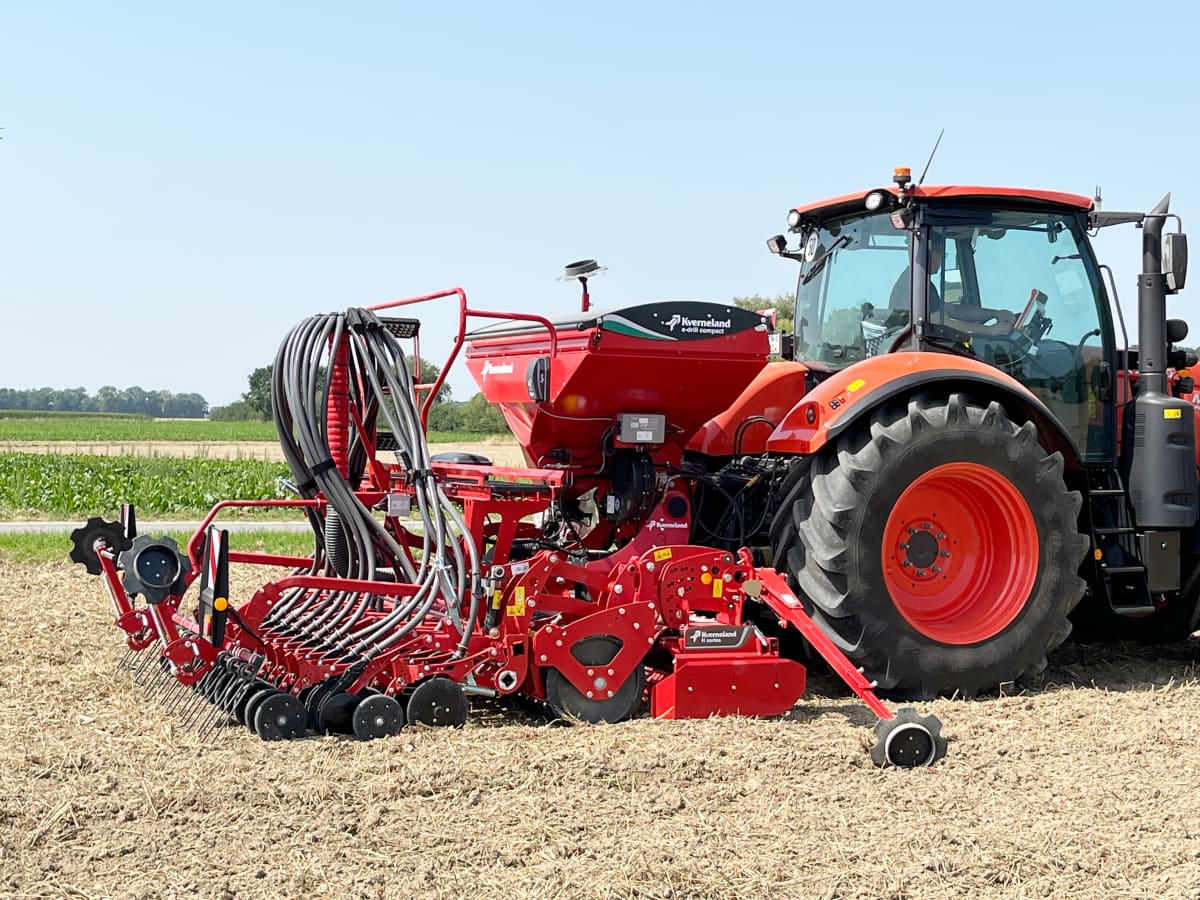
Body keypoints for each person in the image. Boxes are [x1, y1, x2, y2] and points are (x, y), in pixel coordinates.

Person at [889, 234, 1016, 336]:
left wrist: (995, 314)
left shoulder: (915, 280)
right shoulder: (917, 285)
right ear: (930, 253)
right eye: (942, 255)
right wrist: (988, 330)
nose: (942, 261)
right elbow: (944, 324)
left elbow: (954, 310)